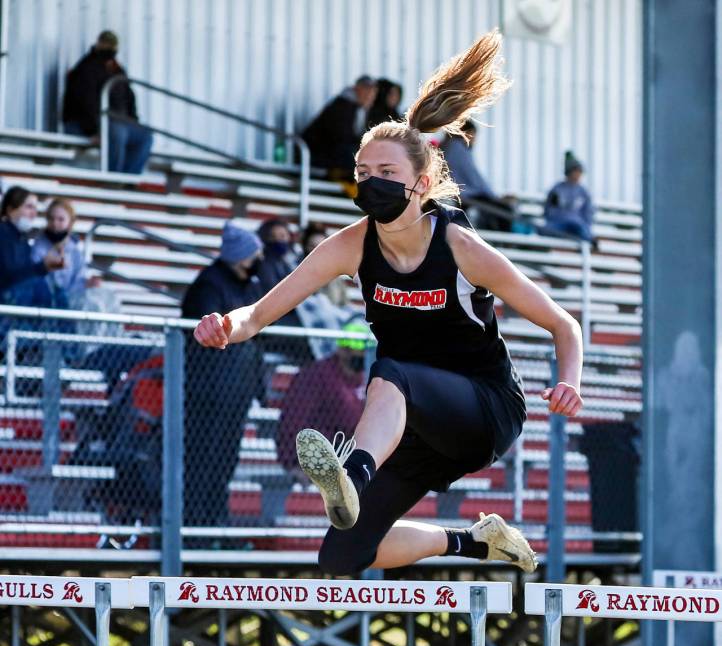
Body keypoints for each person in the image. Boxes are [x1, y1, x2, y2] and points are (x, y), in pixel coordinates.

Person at [195, 29, 584, 577]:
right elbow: (258, 313)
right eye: (362, 174)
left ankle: (352, 476)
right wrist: (224, 326)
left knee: (393, 370)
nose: (370, 183)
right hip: (414, 424)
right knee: (344, 555)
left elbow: (564, 324)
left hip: (483, 409)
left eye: (386, 174)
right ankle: (475, 542)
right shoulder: (351, 244)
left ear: (422, 183)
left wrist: (569, 381)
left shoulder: (461, 248)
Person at [181, 222, 267, 526]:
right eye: (253, 253)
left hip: (236, 392)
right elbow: (206, 336)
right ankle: (195, 523)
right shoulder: (209, 284)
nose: (259, 259)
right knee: (202, 459)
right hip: (208, 392)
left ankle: (216, 519)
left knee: (225, 460)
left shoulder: (250, 284)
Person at [62, 30, 153, 175]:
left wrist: (134, 121)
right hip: (87, 125)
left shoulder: (118, 71)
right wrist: (94, 130)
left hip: (116, 123)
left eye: (112, 47)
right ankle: (113, 180)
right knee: (117, 132)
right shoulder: (85, 69)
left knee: (145, 135)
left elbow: (130, 99)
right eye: (106, 46)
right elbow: (85, 105)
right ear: (98, 45)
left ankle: (128, 180)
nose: (109, 50)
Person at [277, 330, 366, 477]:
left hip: (350, 454)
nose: (361, 357)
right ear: (342, 351)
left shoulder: (365, 378)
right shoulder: (317, 376)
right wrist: (295, 461)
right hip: (320, 454)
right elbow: (293, 420)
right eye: (357, 352)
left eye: (364, 352)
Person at [441, 121, 517, 231]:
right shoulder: (458, 150)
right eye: (474, 135)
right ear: (467, 134)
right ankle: (507, 244)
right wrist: (496, 198)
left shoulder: (448, 147)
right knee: (504, 210)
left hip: (461, 196)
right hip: (466, 197)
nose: (475, 140)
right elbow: (474, 180)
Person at [301, 75, 378, 180]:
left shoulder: (359, 110)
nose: (370, 96)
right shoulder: (342, 107)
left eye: (373, 92)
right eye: (367, 91)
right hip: (316, 156)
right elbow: (341, 138)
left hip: (330, 154)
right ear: (356, 89)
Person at [0, 187, 63, 305]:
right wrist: (43, 266)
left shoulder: (21, 238)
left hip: (14, 298)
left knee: (58, 290)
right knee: (40, 286)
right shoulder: (3, 233)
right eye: (29, 207)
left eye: (35, 209)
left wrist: (46, 267)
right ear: (10, 210)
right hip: (5, 301)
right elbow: (9, 277)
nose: (34, 214)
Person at [31, 198, 94, 309]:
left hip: (68, 306)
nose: (55, 223)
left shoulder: (75, 251)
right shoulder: (38, 245)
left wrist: (88, 284)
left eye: (60, 219)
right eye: (51, 219)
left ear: (70, 222)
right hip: (42, 304)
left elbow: (79, 281)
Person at [542, 150, 594, 243]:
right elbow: (549, 211)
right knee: (545, 229)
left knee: (582, 229)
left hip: (577, 225)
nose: (578, 174)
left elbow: (588, 213)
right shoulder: (557, 190)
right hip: (559, 223)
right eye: (576, 171)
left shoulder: (583, 192)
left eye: (580, 172)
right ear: (569, 172)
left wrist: (584, 224)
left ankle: (589, 241)